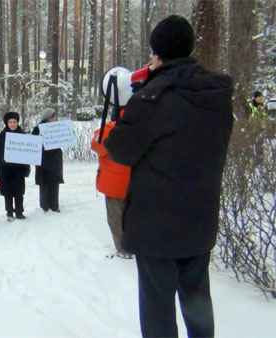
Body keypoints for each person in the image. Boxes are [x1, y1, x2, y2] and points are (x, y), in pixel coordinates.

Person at [105, 15, 233, 337]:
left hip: (156, 225)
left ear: (157, 55)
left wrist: (128, 109)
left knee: (158, 309)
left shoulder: (152, 98)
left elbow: (119, 149)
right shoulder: (217, 95)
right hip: (200, 218)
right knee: (197, 300)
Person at [91, 108, 132, 259]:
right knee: (131, 216)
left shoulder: (110, 130)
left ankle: (123, 249)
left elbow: (96, 145)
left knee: (115, 218)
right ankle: (133, 245)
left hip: (114, 184)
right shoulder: (144, 127)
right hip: (136, 183)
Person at [0, 112, 30, 221]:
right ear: (7, 123)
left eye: (14, 122)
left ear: (17, 123)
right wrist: (2, 162)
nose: (12, 124)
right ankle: (9, 212)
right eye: (10, 122)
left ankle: (19, 212)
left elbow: (28, 153)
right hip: (6, 170)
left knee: (19, 193)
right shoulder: (1, 136)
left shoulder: (22, 135)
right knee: (7, 193)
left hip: (19, 169)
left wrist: (27, 167)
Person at [32, 108, 63, 213]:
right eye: (52, 117)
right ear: (47, 118)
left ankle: (54, 205)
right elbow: (33, 142)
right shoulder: (38, 129)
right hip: (43, 159)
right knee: (44, 183)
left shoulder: (59, 127)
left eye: (55, 116)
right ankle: (44, 206)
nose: (55, 119)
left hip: (55, 159)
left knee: (55, 182)